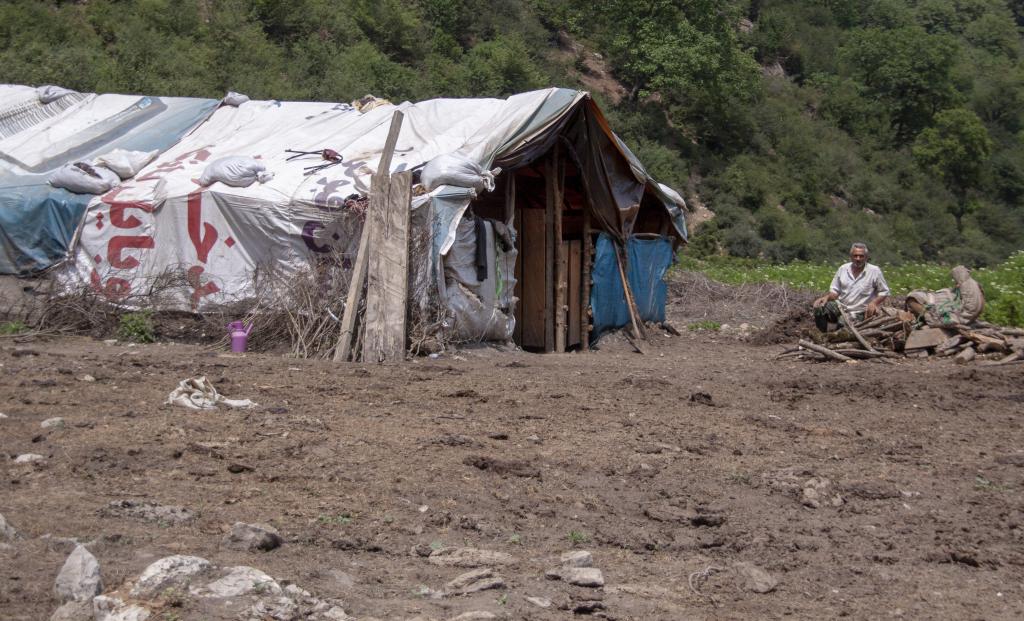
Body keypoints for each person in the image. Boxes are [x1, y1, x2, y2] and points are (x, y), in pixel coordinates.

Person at [812, 243, 890, 331]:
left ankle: (834, 329)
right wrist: (825, 297)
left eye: (861, 256)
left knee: (844, 325)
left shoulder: (874, 271)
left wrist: (874, 303)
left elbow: (884, 291)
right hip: (841, 306)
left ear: (866, 257)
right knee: (819, 308)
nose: (858, 259)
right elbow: (835, 292)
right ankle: (823, 332)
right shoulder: (843, 269)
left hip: (860, 311)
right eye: (855, 256)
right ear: (851, 256)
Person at [905, 265, 984, 327]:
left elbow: (969, 310)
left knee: (912, 299)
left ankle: (929, 314)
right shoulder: (971, 284)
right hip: (949, 306)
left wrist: (929, 315)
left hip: (942, 308)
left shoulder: (968, 285)